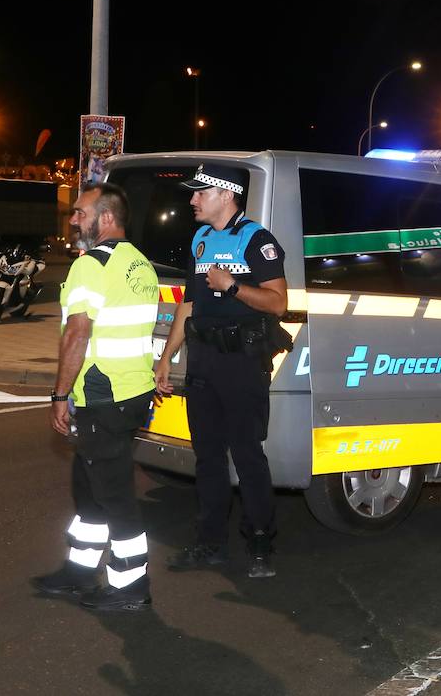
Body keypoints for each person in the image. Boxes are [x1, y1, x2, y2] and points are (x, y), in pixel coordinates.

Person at [31, 183, 159, 612]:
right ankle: (80, 572)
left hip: (102, 395)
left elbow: (77, 334)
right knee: (88, 492)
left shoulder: (90, 266)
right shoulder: (140, 263)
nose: (72, 220)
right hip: (130, 392)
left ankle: (131, 587)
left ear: (106, 218)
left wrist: (59, 394)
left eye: (80, 212)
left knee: (114, 495)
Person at [156, 164, 287, 578]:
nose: (193, 200)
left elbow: (278, 303)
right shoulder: (200, 239)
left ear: (225, 195)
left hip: (242, 363)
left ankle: (260, 542)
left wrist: (232, 285)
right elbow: (189, 305)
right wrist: (166, 357)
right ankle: (210, 543)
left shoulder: (257, 240)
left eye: (200, 193)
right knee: (208, 457)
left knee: (247, 455)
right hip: (204, 361)